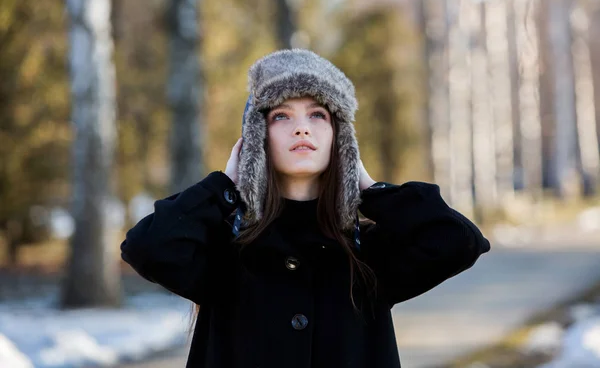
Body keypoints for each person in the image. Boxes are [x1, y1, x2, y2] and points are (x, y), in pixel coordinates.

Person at [120, 49, 491, 368]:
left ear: (339, 137)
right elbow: (146, 246)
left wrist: (368, 187)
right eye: (281, 116)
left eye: (318, 115)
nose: (301, 129)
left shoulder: (367, 253)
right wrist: (224, 185)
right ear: (255, 137)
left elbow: (460, 240)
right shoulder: (225, 249)